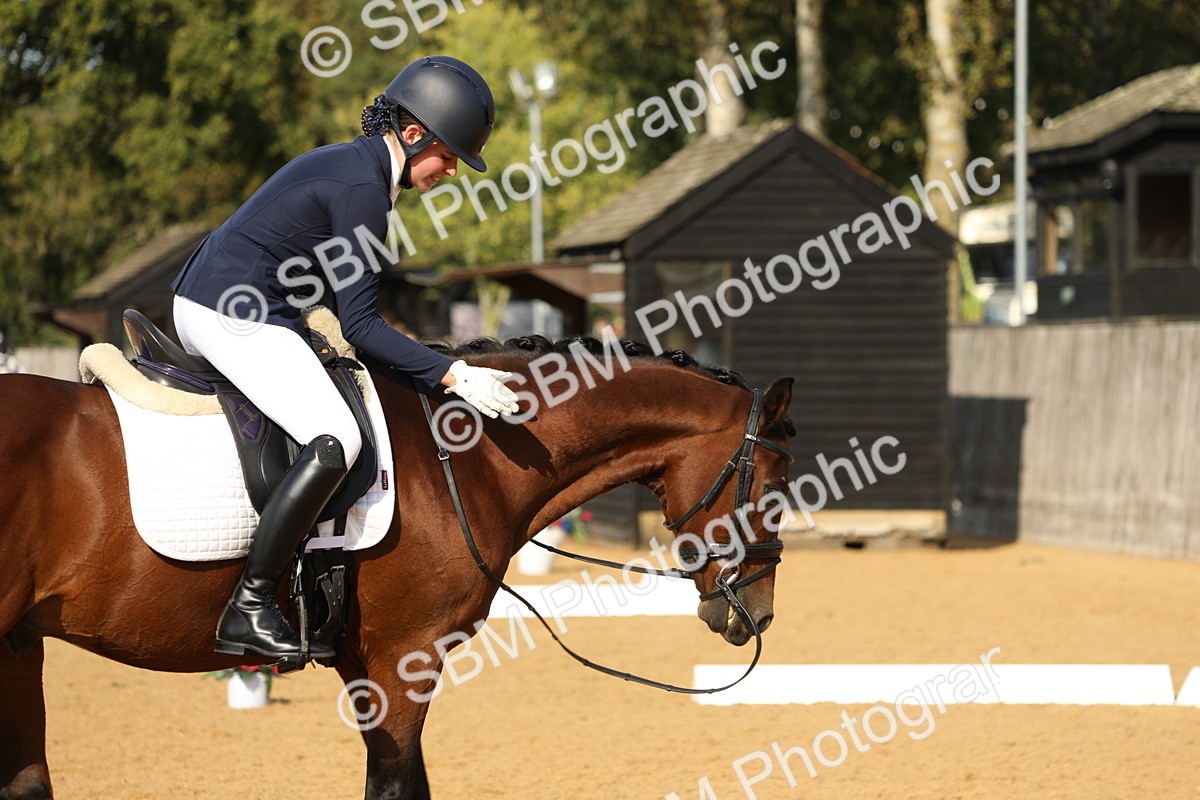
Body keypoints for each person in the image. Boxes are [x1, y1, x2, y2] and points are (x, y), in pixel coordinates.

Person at [170, 55, 519, 663]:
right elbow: (358, 324)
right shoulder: (364, 190)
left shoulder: (352, 166)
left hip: (218, 301)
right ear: (414, 136)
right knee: (337, 437)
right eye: (451, 156)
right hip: (229, 314)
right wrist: (453, 372)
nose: (454, 172)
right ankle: (250, 603)